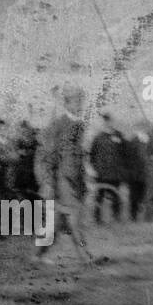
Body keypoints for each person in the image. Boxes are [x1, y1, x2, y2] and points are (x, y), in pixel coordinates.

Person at [34, 86, 95, 265]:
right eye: (76, 101)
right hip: (62, 181)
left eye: (81, 101)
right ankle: (85, 256)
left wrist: (86, 176)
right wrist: (47, 183)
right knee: (74, 216)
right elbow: (47, 157)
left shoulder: (79, 125)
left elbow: (78, 156)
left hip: (74, 181)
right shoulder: (59, 125)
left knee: (56, 223)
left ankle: (37, 255)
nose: (80, 105)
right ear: (67, 103)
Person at [89, 111, 128, 223]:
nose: (107, 122)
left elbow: (125, 154)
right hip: (101, 173)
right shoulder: (98, 137)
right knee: (99, 197)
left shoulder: (119, 136)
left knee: (116, 196)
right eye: (105, 120)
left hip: (115, 173)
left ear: (112, 121)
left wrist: (123, 170)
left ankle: (116, 218)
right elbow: (92, 155)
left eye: (109, 120)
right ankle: (97, 219)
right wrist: (94, 170)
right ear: (103, 122)